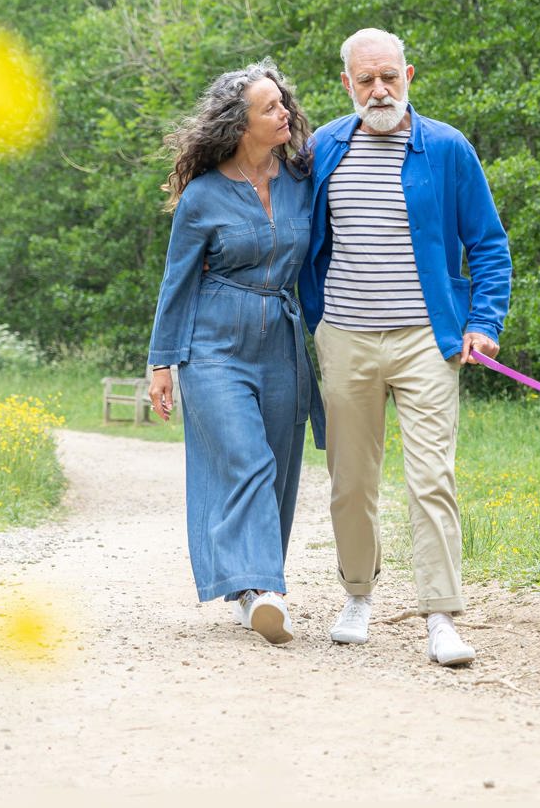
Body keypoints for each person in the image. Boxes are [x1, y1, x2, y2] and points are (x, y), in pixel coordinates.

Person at [298, 28, 512, 666]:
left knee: (431, 480)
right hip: (345, 335)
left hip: (428, 339)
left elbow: (489, 244)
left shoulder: (446, 148)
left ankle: (441, 617)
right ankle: (358, 594)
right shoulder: (322, 149)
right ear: (347, 84)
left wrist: (485, 322)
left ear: (409, 75)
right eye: (366, 79)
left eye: (389, 76)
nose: (379, 89)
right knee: (350, 480)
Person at [148, 60, 323, 645]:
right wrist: (161, 361)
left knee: (278, 464)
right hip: (214, 344)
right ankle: (265, 589)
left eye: (284, 103)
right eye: (270, 107)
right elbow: (178, 282)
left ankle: (250, 588)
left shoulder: (303, 178)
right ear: (239, 123)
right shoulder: (203, 196)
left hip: (281, 338)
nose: (285, 113)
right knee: (248, 459)